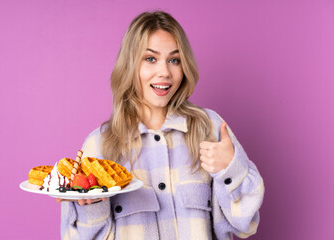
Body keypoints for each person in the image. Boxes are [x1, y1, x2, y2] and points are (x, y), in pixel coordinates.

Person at [58, 11, 264, 240]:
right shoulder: (100, 146)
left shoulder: (210, 129)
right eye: (150, 59)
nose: (165, 72)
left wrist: (230, 169)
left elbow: (245, 224)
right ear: (130, 65)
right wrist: (91, 207)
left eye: (174, 60)